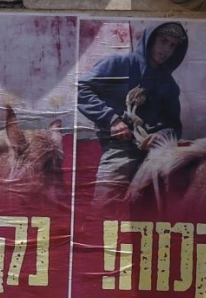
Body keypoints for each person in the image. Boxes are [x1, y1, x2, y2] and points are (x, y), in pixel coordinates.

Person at [78, 21, 187, 198]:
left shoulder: (169, 85)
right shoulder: (118, 64)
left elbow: (175, 125)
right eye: (163, 41)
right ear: (150, 40)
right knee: (105, 202)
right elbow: (82, 90)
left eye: (173, 45)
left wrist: (162, 135)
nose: (166, 49)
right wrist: (112, 120)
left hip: (157, 152)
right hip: (121, 148)